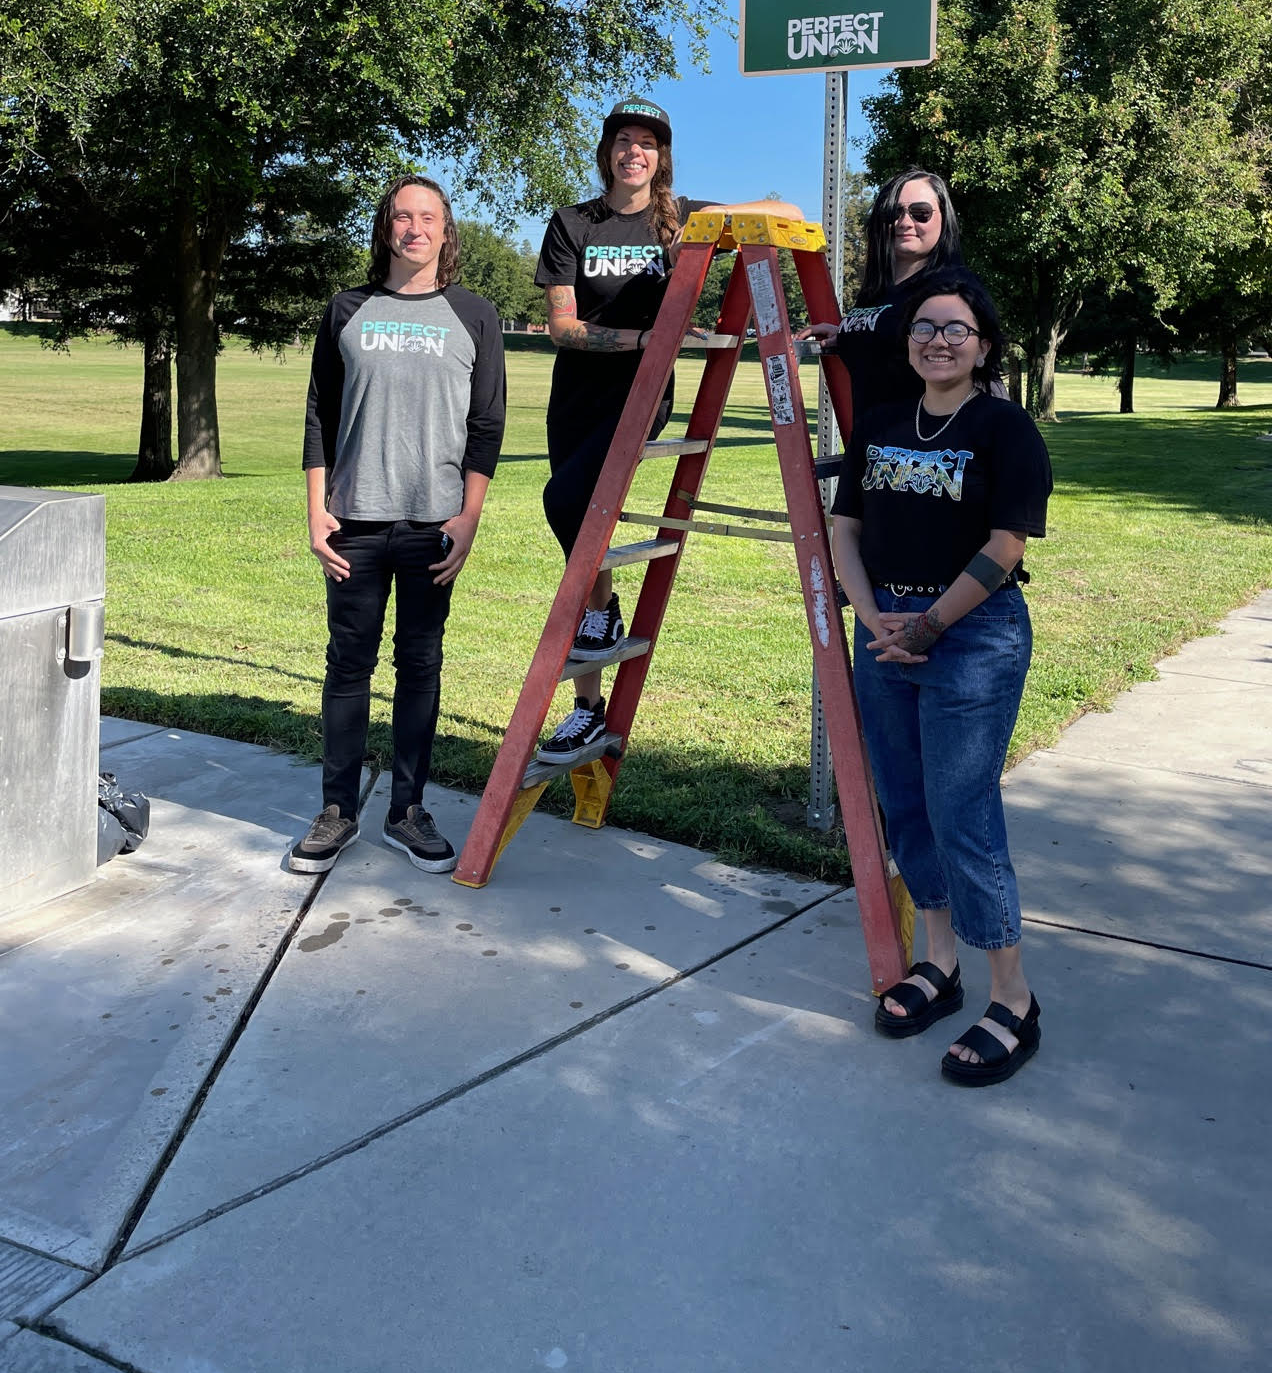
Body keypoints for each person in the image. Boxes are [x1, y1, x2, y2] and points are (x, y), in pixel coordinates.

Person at [828, 268, 1052, 1086]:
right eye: (925, 327)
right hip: (883, 628)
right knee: (908, 804)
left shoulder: (1005, 428)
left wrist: (926, 625)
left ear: (983, 345)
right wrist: (871, 613)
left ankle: (1013, 999)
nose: (938, 340)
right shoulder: (882, 422)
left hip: (971, 637)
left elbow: (1005, 548)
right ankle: (940, 963)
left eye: (956, 329)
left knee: (964, 810)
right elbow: (844, 526)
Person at [534, 97, 799, 765]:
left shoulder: (680, 220)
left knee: (565, 504)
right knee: (581, 531)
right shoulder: (572, 223)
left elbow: (781, 213)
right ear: (607, 152)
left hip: (643, 396)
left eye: (648, 143)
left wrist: (775, 219)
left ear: (662, 156)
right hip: (576, 398)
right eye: (623, 140)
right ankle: (589, 704)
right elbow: (563, 327)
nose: (635, 151)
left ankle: (602, 616)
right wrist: (648, 336)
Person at [292, 177, 505, 876]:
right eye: (402, 217)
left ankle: (407, 812)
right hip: (353, 520)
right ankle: (337, 812)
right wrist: (316, 507)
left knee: (420, 666)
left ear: (446, 232)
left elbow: (487, 425)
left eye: (428, 218)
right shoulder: (347, 309)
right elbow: (320, 410)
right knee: (348, 667)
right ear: (386, 229)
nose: (415, 228)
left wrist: (468, 518)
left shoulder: (474, 314)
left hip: (431, 526)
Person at [802, 167, 963, 423]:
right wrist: (846, 332)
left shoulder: (951, 289)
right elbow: (887, 340)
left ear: (944, 219)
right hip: (872, 450)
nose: (905, 223)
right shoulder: (877, 289)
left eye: (921, 213)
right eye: (893, 212)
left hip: (922, 453)